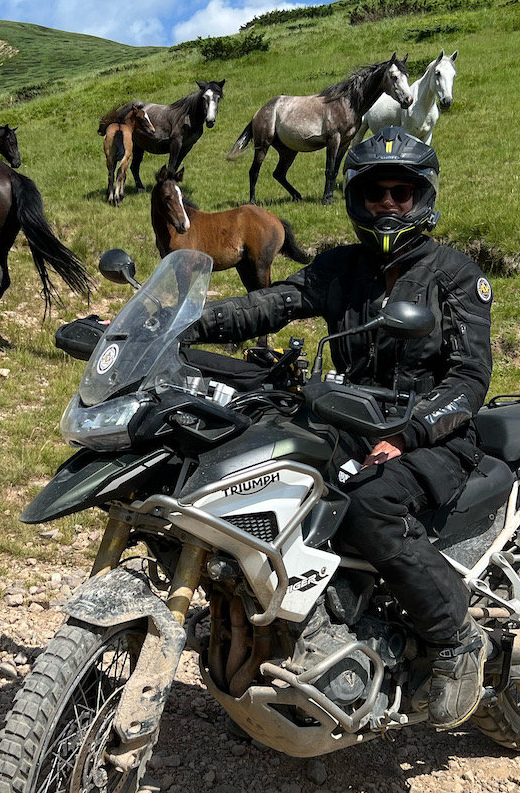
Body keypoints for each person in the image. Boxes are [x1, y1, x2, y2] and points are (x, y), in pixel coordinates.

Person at [189, 127, 494, 728]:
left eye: (401, 193)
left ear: (422, 197)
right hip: (347, 419)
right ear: (358, 197)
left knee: (368, 506)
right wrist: (185, 324)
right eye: (376, 192)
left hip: (432, 433)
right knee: (255, 475)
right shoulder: (339, 266)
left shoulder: (454, 274)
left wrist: (407, 434)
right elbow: (270, 303)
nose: (388, 203)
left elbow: (467, 380)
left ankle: (457, 638)